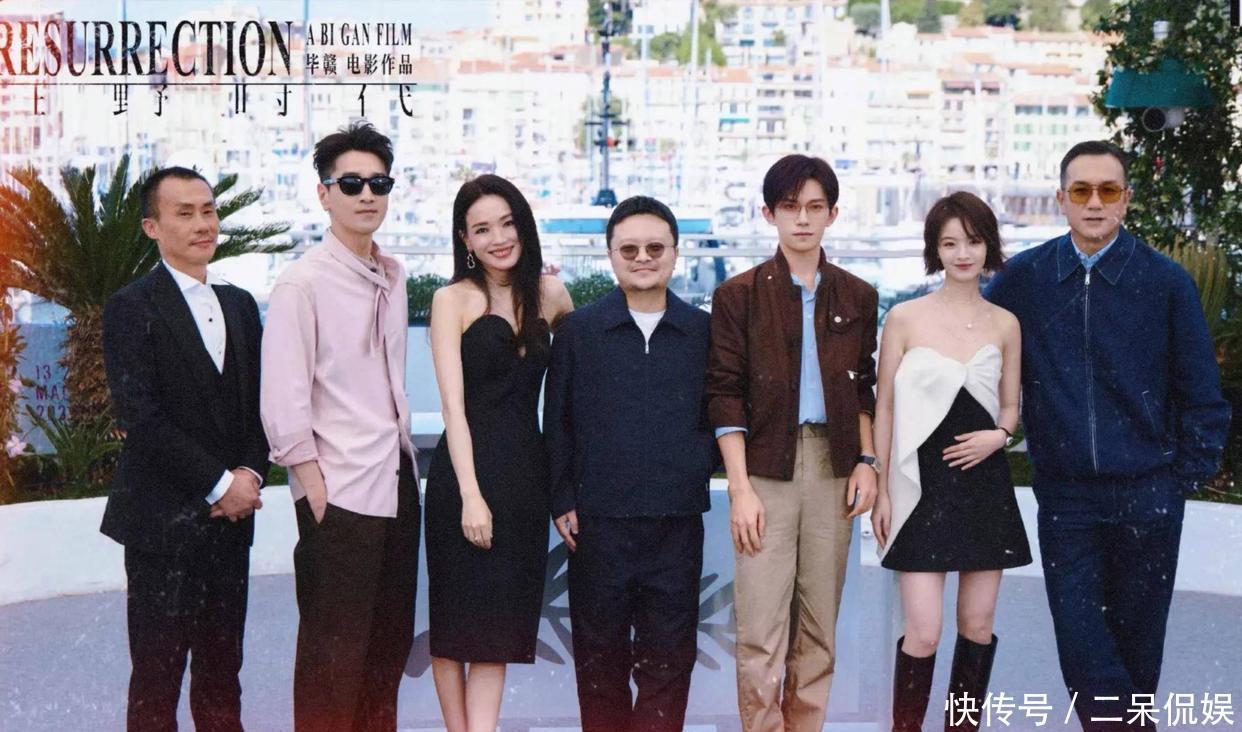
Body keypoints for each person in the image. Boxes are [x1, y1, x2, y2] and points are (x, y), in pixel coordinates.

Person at [985, 140, 1230, 730]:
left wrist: (1178, 479)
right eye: (1081, 190)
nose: (1094, 203)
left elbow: (1201, 391)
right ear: (1061, 199)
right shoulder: (1027, 278)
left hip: (1149, 494)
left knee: (1138, 657)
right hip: (1066, 497)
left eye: (1108, 190)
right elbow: (969, 337)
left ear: (1126, 198)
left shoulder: (1165, 282)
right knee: (1084, 651)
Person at [707, 154, 880, 732]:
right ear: (769, 214)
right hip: (765, 469)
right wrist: (740, 489)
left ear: (832, 214)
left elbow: (863, 385)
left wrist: (867, 461)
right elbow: (724, 393)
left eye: (814, 207)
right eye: (789, 207)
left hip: (834, 468)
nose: (802, 219)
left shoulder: (857, 295)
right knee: (761, 630)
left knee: (819, 629)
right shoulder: (739, 295)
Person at [260, 121, 420, 732]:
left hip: (396, 481)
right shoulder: (301, 283)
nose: (367, 194)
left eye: (379, 183)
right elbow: (283, 399)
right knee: (333, 661)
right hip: (340, 491)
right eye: (351, 183)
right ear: (324, 194)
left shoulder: (394, 275)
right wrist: (314, 490)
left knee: (386, 652)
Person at [101, 166, 269, 732]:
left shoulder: (240, 304)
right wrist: (221, 485)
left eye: (209, 211)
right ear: (152, 227)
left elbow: (259, 406)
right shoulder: (131, 306)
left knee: (223, 674)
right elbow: (140, 418)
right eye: (185, 213)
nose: (204, 224)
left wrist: (249, 474)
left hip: (231, 526)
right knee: (157, 679)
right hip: (160, 527)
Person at [544, 196, 715, 732]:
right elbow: (558, 420)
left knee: (670, 662)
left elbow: (724, 415)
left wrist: (691, 469)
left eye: (655, 248)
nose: (643, 258)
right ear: (611, 255)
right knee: (600, 665)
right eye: (630, 249)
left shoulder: (703, 332)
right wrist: (562, 498)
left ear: (676, 254)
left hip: (676, 525)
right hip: (597, 527)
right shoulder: (579, 331)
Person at [870, 192, 1031, 732]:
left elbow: (1010, 407)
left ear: (989, 247)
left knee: (978, 626)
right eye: (950, 243)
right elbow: (884, 407)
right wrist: (883, 490)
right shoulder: (903, 318)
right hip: (919, 485)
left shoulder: (1005, 323)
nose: (963, 254)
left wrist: (998, 437)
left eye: (974, 241)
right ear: (935, 250)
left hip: (984, 483)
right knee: (923, 632)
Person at [424, 174, 573, 732]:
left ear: (524, 226)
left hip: (525, 480)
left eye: (507, 223)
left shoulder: (552, 295)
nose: (498, 238)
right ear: (465, 239)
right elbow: (452, 407)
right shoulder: (451, 299)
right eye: (482, 229)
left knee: (497, 632)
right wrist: (470, 496)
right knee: (453, 626)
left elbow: (575, 377)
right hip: (463, 479)